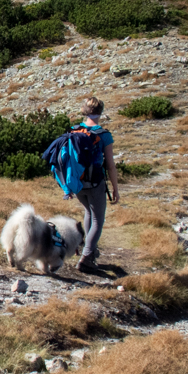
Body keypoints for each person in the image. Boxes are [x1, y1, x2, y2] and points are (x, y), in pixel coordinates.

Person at [74, 97, 119, 273]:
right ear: (100, 112)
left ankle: (90, 251)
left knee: (88, 212)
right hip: (95, 183)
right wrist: (115, 187)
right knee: (98, 219)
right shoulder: (103, 135)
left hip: (78, 183)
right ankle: (86, 258)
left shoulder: (74, 131)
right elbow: (110, 165)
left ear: (84, 111)